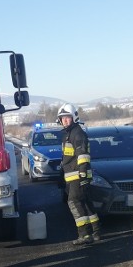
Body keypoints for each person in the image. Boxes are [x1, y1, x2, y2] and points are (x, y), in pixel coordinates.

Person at [57, 103, 101, 246]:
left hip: (78, 175)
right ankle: (95, 232)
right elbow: (68, 157)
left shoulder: (77, 133)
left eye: (67, 118)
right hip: (74, 175)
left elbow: (83, 155)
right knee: (86, 203)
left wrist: (82, 173)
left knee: (74, 202)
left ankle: (85, 235)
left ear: (74, 118)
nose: (65, 120)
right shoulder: (69, 133)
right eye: (62, 118)